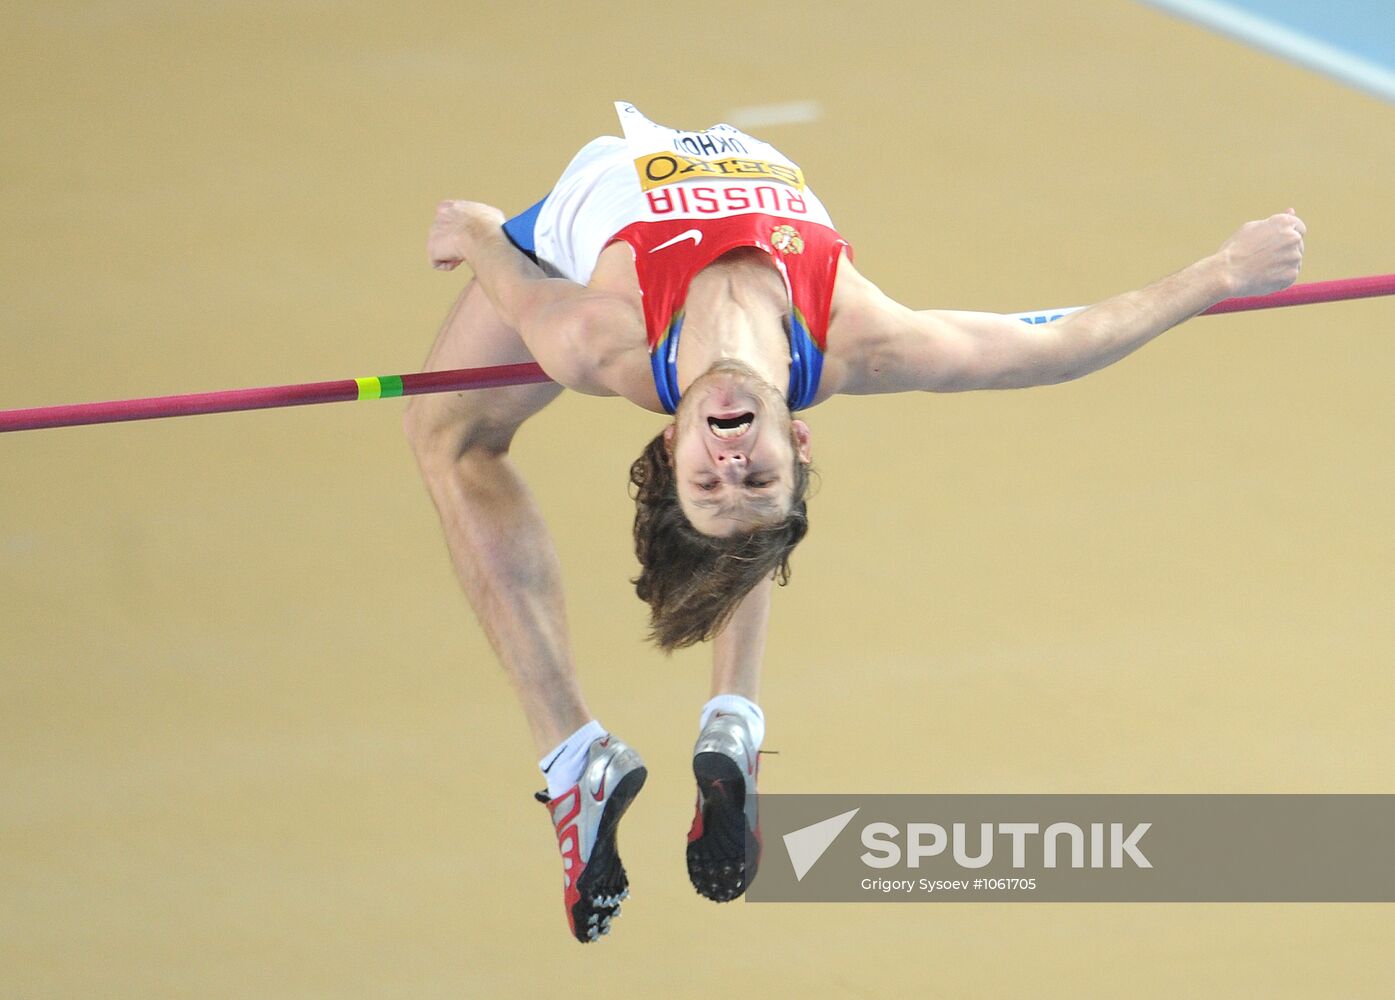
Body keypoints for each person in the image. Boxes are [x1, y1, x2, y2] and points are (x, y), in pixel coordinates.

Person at [405, 102, 1305, 942]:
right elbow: (1053, 349)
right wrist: (1221, 273)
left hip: (582, 216)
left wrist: (478, 232)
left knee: (449, 439)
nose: (727, 464)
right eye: (752, 470)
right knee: (753, 523)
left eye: (705, 481)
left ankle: (573, 761)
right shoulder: (855, 339)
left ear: (667, 434)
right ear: (797, 437)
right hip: (740, 208)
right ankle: (733, 718)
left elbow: (499, 262)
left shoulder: (594, 339)